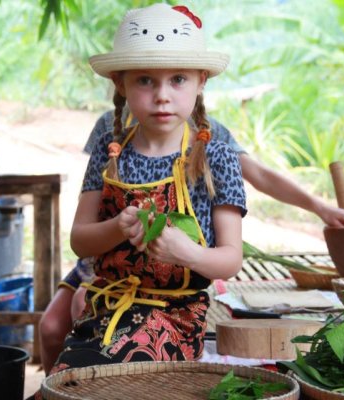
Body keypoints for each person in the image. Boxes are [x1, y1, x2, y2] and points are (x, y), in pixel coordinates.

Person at [40, 3, 246, 378]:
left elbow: (231, 260)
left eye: (178, 79)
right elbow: (80, 241)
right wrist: (119, 225)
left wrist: (186, 252)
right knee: (65, 382)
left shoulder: (216, 155)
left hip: (176, 316)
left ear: (201, 80)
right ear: (121, 83)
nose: (162, 95)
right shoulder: (110, 148)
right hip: (107, 310)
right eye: (145, 80)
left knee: (101, 378)